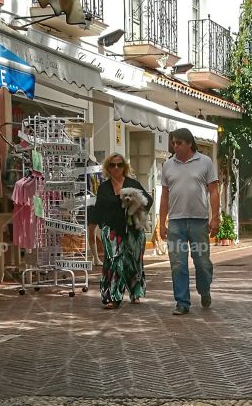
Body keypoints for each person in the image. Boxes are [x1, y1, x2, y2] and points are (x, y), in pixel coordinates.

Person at [159, 128, 219, 315]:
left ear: (189, 143)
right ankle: (182, 302)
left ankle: (204, 290)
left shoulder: (205, 162)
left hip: (199, 221)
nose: (175, 146)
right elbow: (164, 196)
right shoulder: (168, 165)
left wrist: (215, 217)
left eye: (179, 143)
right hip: (176, 222)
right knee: (178, 263)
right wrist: (162, 222)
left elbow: (214, 191)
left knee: (202, 262)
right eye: (173, 143)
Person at [89, 153, 151, 308]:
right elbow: (99, 209)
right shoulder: (104, 187)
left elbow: (148, 201)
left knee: (134, 261)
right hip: (111, 229)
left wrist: (137, 207)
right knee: (113, 261)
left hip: (133, 229)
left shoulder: (133, 184)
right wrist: (93, 227)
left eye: (119, 164)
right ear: (108, 168)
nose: (116, 168)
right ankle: (112, 296)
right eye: (112, 165)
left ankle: (136, 293)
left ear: (125, 167)